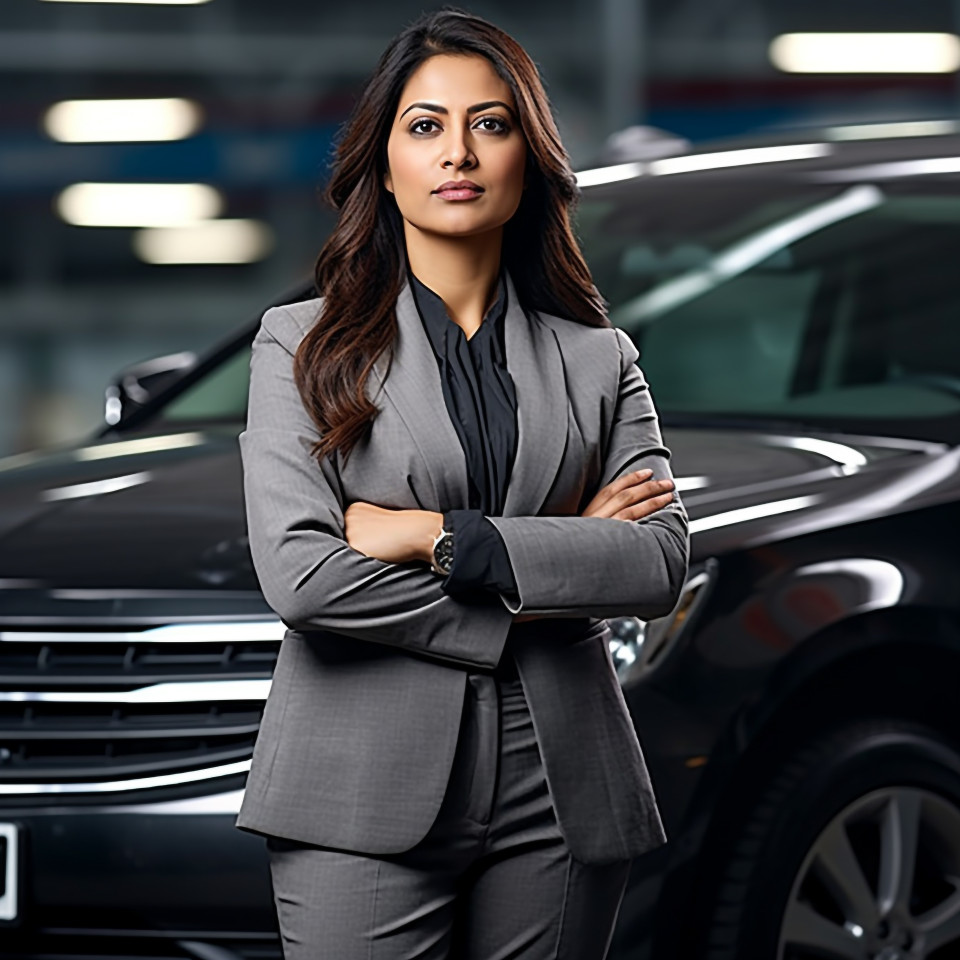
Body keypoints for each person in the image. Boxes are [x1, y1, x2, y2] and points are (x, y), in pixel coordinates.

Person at [235, 8, 691, 959]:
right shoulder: (299, 345)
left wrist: (434, 535)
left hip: (562, 790)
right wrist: (550, 578)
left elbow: (654, 559)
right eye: (426, 126)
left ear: (530, 155)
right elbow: (304, 579)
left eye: (490, 123)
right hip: (359, 790)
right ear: (385, 161)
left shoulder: (600, 359)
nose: (460, 153)